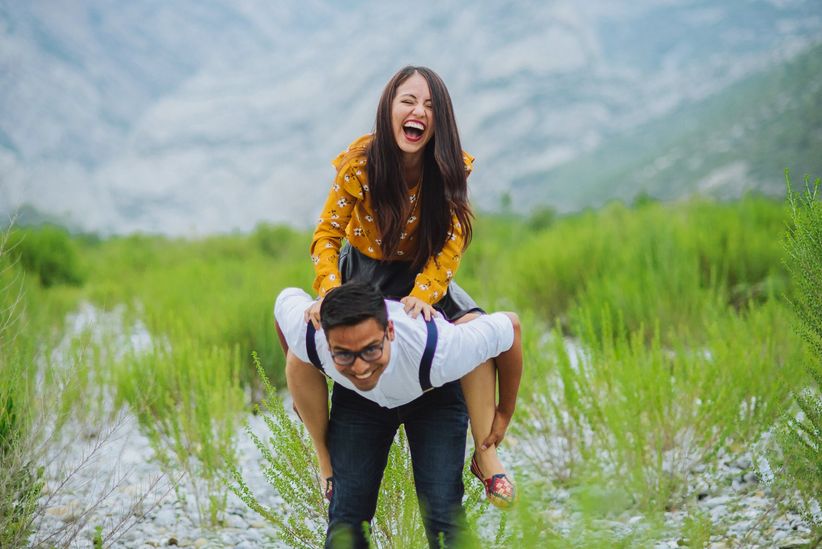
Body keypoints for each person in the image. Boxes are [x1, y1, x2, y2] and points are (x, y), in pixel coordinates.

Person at [289, 65, 517, 508]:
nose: (419, 112)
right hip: (363, 271)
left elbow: (451, 245)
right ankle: (325, 459)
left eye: (431, 106)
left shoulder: (448, 169)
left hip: (421, 275)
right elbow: (327, 235)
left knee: (474, 328)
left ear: (441, 121)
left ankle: (487, 452)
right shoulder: (360, 163)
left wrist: (425, 293)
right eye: (408, 101)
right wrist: (331, 289)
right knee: (305, 342)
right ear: (389, 108)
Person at [274, 282, 523, 548]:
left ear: (390, 331)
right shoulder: (310, 334)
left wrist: (505, 412)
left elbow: (511, 326)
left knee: (443, 515)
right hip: (359, 402)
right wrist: (301, 374)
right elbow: (284, 301)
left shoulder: (441, 350)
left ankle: (485, 462)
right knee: (347, 516)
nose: (360, 367)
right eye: (344, 354)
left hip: (433, 396)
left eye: (371, 349)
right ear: (327, 342)